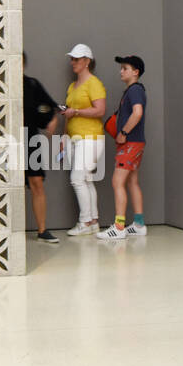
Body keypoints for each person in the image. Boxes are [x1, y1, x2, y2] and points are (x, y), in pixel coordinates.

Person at [97, 55, 148, 239]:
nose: (121, 71)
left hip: (130, 143)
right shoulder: (134, 90)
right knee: (132, 181)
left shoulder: (134, 90)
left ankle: (119, 227)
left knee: (117, 181)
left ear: (136, 72)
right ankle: (139, 224)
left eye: (125, 68)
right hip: (136, 142)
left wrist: (123, 133)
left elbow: (137, 113)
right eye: (121, 68)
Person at [60, 44, 107, 235]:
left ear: (87, 61)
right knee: (86, 180)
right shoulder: (73, 86)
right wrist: (64, 137)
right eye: (72, 59)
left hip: (90, 138)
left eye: (76, 59)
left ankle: (85, 222)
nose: (73, 62)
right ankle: (93, 221)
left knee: (77, 179)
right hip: (74, 139)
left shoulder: (94, 83)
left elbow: (100, 110)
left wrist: (77, 111)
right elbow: (68, 114)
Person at [22, 52, 60, 243]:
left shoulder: (32, 85)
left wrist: (52, 119)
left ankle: (42, 230)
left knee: (37, 182)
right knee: (9, 186)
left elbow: (49, 108)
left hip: (30, 140)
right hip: (8, 142)